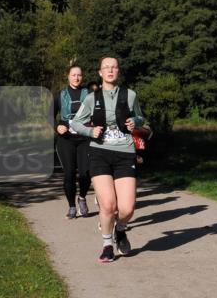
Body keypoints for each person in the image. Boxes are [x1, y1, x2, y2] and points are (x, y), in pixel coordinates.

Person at [70, 56, 149, 263]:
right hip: (99, 152)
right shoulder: (91, 98)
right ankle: (107, 245)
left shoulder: (130, 95)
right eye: (106, 68)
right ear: (100, 72)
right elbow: (76, 123)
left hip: (125, 152)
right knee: (108, 205)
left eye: (114, 67)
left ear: (118, 71)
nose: (110, 71)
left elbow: (141, 118)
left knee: (127, 208)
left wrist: (135, 121)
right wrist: (89, 131)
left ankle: (120, 229)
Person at [53, 65, 91, 219]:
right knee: (69, 174)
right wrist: (57, 127)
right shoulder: (60, 95)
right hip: (66, 139)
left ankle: (81, 197)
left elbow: (98, 113)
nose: (76, 78)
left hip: (85, 139)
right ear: (68, 76)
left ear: (82, 77)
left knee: (85, 173)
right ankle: (71, 207)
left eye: (79, 75)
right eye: (73, 75)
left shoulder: (89, 94)